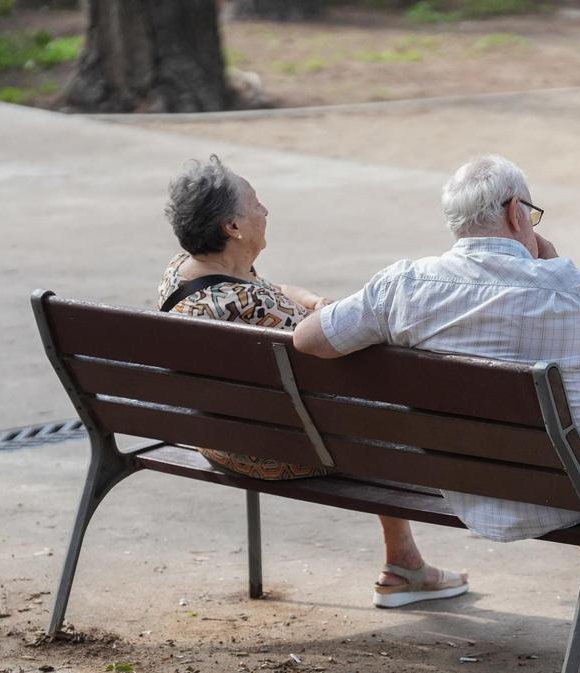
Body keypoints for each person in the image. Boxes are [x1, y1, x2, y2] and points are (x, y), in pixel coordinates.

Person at [293, 155, 580, 666]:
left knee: (569, 446)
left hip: (485, 484)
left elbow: (308, 339)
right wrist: (563, 275)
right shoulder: (560, 289)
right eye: (531, 214)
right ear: (516, 212)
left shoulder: (403, 285)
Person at [157, 155, 468, 609]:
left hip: (218, 437)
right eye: (255, 204)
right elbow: (336, 344)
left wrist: (313, 301)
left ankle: (404, 560)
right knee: (380, 408)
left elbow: (273, 292)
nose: (265, 210)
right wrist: (327, 313)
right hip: (282, 452)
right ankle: (404, 566)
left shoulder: (185, 273)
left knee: (360, 409)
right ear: (233, 227)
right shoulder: (256, 305)